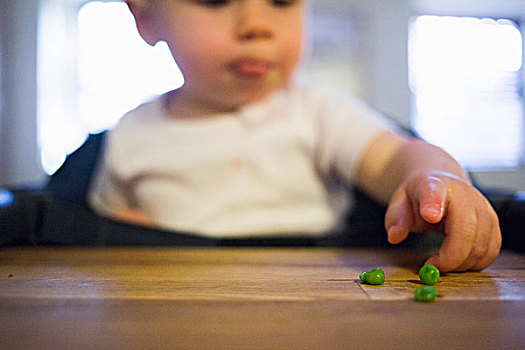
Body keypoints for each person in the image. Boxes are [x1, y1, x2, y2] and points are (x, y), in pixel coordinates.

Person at [88, 0, 501, 272]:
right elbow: (108, 237)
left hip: (317, 302)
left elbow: (396, 158)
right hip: (180, 312)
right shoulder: (131, 134)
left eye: (282, 0)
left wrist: (437, 180)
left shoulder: (318, 112)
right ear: (146, 17)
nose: (256, 25)